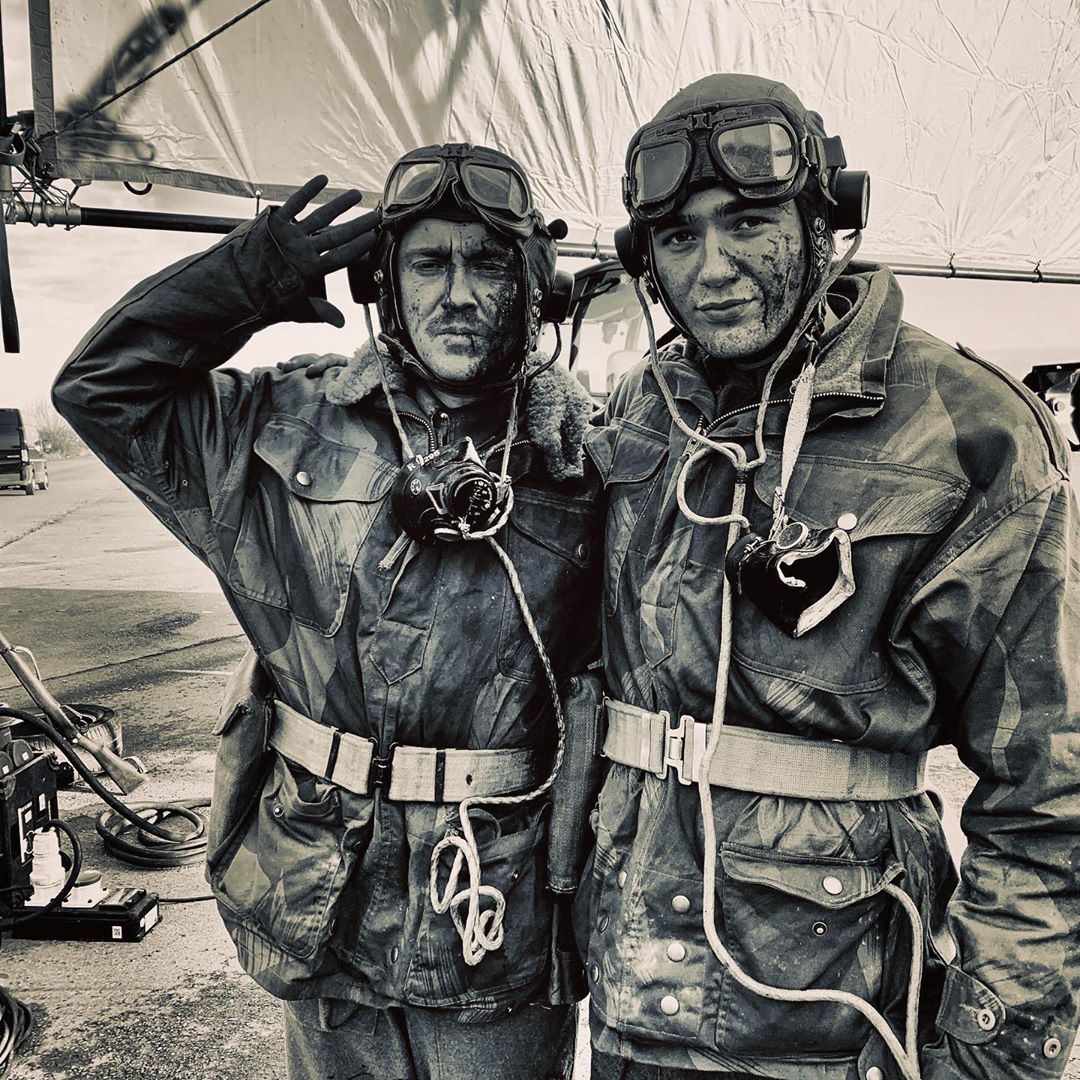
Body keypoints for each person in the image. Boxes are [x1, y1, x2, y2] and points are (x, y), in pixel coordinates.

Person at [52, 143, 602, 1080]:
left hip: (491, 912)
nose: (457, 294)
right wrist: (247, 280)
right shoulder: (280, 422)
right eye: (428, 263)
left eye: (488, 264)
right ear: (382, 284)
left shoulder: (584, 456)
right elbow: (101, 388)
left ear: (534, 289)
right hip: (320, 889)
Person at [577, 73, 1080, 1080]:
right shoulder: (640, 414)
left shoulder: (968, 430)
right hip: (638, 1001)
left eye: (748, 222)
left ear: (824, 223)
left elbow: (1051, 788)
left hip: (833, 1015)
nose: (714, 268)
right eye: (678, 238)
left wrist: (995, 1050)